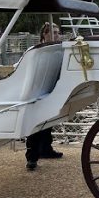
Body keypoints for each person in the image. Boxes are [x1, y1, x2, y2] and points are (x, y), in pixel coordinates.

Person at [25, 22, 63, 170]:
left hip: (48, 88)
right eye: (53, 32)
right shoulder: (34, 51)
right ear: (44, 35)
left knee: (49, 120)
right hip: (34, 91)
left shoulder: (56, 50)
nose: (57, 35)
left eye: (58, 32)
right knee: (36, 124)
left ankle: (46, 149)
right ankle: (31, 158)